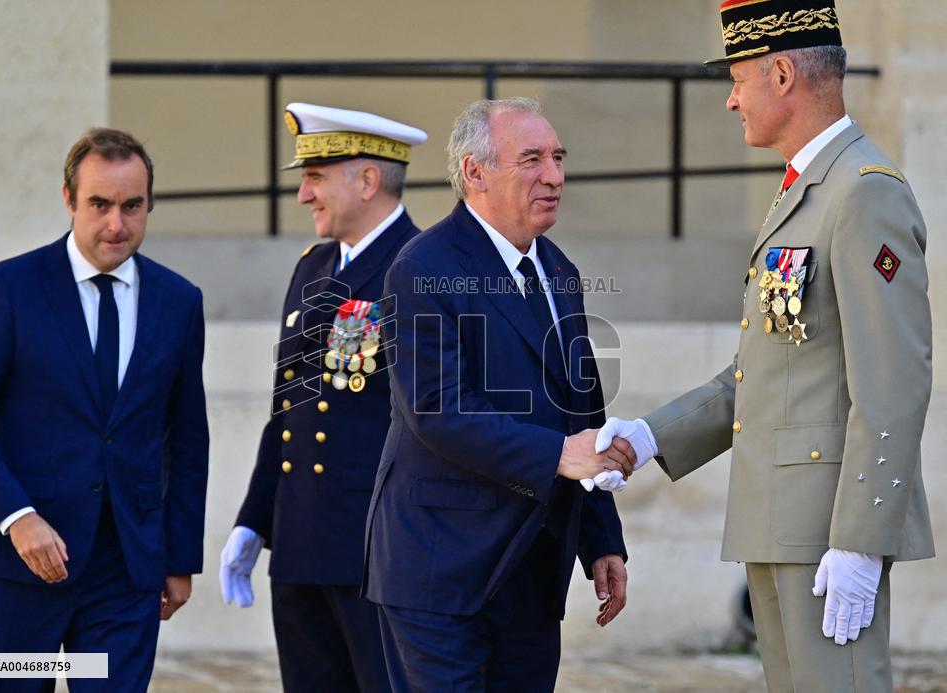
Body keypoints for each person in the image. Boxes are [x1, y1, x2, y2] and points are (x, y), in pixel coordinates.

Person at [597, 1, 935, 690]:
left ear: (782, 74)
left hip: (827, 530)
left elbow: (893, 384)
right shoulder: (805, 192)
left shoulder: (863, 194)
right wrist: (650, 434)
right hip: (781, 522)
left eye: (739, 78)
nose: (730, 98)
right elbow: (763, 370)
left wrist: (861, 540)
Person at [363, 97, 632, 692]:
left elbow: (582, 409)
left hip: (530, 568)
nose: (554, 176)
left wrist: (601, 540)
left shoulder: (559, 270)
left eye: (558, 158)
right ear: (474, 172)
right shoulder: (421, 266)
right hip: (438, 570)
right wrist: (558, 456)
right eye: (531, 159)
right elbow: (435, 407)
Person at [0, 127, 209, 691]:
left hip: (127, 566)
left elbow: (187, 439)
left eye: (132, 206)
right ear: (69, 200)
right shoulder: (8, 288)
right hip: (20, 563)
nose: (116, 224)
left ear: (149, 205)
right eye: (100, 204)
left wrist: (179, 556)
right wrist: (18, 518)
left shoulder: (179, 301)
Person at [219, 103, 427, 692]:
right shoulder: (314, 267)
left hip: (376, 554)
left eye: (315, 177)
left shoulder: (418, 267)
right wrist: (255, 521)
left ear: (366, 179)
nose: (304, 194)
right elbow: (289, 405)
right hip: (302, 544)